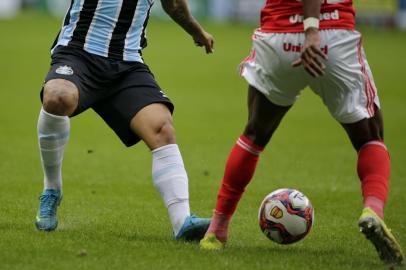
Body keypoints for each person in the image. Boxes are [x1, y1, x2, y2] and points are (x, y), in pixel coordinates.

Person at [199, 0, 404, 266]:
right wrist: (310, 29)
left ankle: (216, 231)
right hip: (328, 34)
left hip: (279, 38)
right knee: (370, 137)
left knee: (253, 136)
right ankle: (373, 211)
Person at [35, 0, 214, 242]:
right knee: (57, 96)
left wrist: (197, 31)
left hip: (127, 64)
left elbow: (173, 5)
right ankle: (52, 190)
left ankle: (182, 221)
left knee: (161, 126)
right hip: (77, 53)